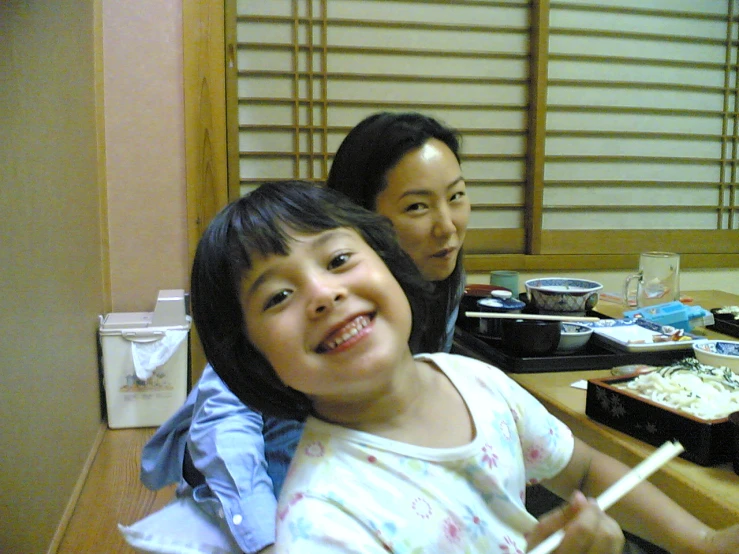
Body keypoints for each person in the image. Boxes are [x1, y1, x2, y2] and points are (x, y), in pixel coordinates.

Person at [192, 180, 739, 554]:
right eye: (278, 296)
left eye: (338, 260)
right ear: (253, 360)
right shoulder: (322, 522)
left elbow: (585, 468)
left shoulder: (473, 381)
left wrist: (701, 542)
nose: (322, 294)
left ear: (389, 263)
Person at [140, 111, 470, 553]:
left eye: (457, 196)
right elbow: (224, 427)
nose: (447, 225)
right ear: (359, 218)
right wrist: (266, 542)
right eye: (417, 206)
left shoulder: (430, 285)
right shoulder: (294, 327)